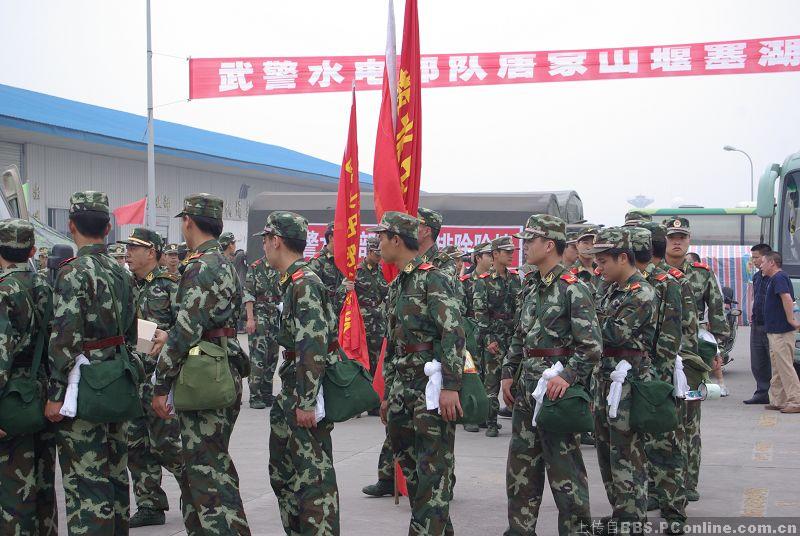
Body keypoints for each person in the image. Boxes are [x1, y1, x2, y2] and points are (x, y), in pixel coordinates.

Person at [150, 193, 251, 534]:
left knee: (209, 474)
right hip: (221, 364)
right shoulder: (222, 262)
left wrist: (161, 383)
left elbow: (187, 330)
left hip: (204, 375)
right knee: (208, 466)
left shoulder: (199, 266)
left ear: (188, 222)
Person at [500, 214, 600, 536]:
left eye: (531, 241)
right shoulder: (529, 286)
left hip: (556, 395)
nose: (525, 247)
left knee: (565, 472)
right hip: (527, 390)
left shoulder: (574, 289)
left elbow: (591, 347)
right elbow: (520, 334)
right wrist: (507, 372)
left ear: (549, 245)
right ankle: (520, 529)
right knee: (521, 468)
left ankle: (577, 530)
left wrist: (568, 377)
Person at [45, 191, 137, 533]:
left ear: (71, 226)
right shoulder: (123, 272)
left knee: (86, 481)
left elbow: (64, 341)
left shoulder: (72, 273)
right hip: (118, 378)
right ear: (109, 227)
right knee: (115, 474)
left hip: (83, 387)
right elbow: (132, 329)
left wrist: (56, 394)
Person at [371, 211, 466, 536]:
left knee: (432, 473)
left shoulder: (432, 277)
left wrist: (451, 386)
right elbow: (393, 342)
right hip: (402, 390)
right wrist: (387, 396)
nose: (378, 243)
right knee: (414, 473)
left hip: (430, 388)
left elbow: (452, 331)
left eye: (382, 237)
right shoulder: (398, 283)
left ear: (397, 239)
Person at [256, 211, 340, 534]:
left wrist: (306, 400)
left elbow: (313, 346)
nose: (263, 247)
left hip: (302, 394)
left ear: (276, 241)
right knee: (284, 472)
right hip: (291, 389)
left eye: (265, 240)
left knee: (313, 480)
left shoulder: (305, 285)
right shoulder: (292, 282)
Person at [120, 227, 194, 529]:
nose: (128, 253)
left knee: (168, 444)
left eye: (134, 248)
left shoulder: (169, 286)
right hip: (135, 377)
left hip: (161, 377)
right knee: (136, 443)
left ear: (151, 252)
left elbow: (184, 329)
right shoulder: (129, 285)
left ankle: (193, 493)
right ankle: (150, 503)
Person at [591, 227, 657, 532]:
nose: (598, 267)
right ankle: (621, 513)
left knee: (627, 454)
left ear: (622, 258)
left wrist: (585, 323)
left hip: (627, 382)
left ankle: (632, 519)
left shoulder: (641, 292)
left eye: (603, 261)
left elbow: (614, 332)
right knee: (606, 451)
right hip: (605, 378)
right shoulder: (609, 289)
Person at [664, 217, 730, 502]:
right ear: (664, 241)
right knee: (661, 421)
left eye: (682, 236)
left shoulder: (702, 274)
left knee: (690, 423)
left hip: (691, 361)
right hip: (660, 360)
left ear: (689, 240)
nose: (677, 241)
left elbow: (717, 316)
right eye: (672, 237)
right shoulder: (652, 272)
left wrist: (719, 353)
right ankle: (662, 484)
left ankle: (689, 482)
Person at [0, 218, 58, 535]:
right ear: (32, 250)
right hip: (44, 391)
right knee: (43, 483)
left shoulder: (3, 291)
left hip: (11, 396)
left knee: (12, 489)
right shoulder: (45, 288)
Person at [629, 227, 687, 530]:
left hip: (656, 375)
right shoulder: (624, 282)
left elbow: (670, 334)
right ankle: (647, 497)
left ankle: (674, 509)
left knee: (664, 443)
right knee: (638, 444)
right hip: (631, 374)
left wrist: (658, 377)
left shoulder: (666, 283)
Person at [473, 236, 521, 438]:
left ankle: (519, 422)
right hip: (493, 335)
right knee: (491, 382)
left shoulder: (515, 278)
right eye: (506, 252)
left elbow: (521, 308)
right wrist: (488, 339)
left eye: (512, 251)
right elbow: (480, 313)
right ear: (495, 255)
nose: (511, 255)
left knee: (516, 379)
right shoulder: (483, 281)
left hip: (513, 336)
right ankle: (491, 421)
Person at [760, 251, 800, 413]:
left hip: (782, 331)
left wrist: (791, 320)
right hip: (774, 330)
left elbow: (787, 298)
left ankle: (795, 400)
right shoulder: (774, 279)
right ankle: (778, 399)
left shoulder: (779, 278)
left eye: (763, 262)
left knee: (785, 366)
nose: (760, 265)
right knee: (777, 367)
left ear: (772, 263)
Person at [243, 246, 282, 409]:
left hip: (275, 314)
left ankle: (266, 393)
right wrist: (250, 318)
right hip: (259, 315)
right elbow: (248, 294)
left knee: (272, 356)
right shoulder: (255, 267)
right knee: (258, 356)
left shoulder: (280, 266)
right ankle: (254, 395)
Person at [347, 236, 389, 376]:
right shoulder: (356, 271)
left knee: (378, 362)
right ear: (369, 251)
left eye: (381, 254)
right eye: (377, 254)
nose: (379, 257)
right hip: (362, 324)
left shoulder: (382, 272)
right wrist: (346, 288)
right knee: (362, 362)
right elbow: (344, 296)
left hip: (380, 324)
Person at [745, 243, 773, 405]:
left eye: (756, 257)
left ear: (766, 257)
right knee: (758, 361)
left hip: (771, 325)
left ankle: (777, 394)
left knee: (774, 361)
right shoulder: (756, 277)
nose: (754, 261)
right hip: (757, 323)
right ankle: (762, 392)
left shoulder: (776, 277)